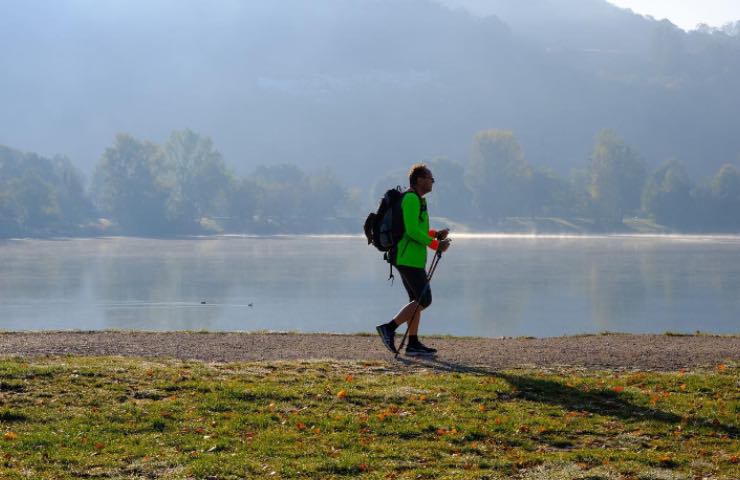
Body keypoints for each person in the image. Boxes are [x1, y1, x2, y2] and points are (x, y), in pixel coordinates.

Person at [376, 163, 450, 356]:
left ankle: (413, 344)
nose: (433, 181)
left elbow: (418, 230)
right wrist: (435, 245)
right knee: (424, 299)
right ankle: (389, 328)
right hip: (406, 258)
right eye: (429, 178)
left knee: (415, 300)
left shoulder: (418, 200)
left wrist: (435, 235)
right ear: (419, 180)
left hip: (413, 258)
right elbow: (411, 231)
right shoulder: (410, 199)